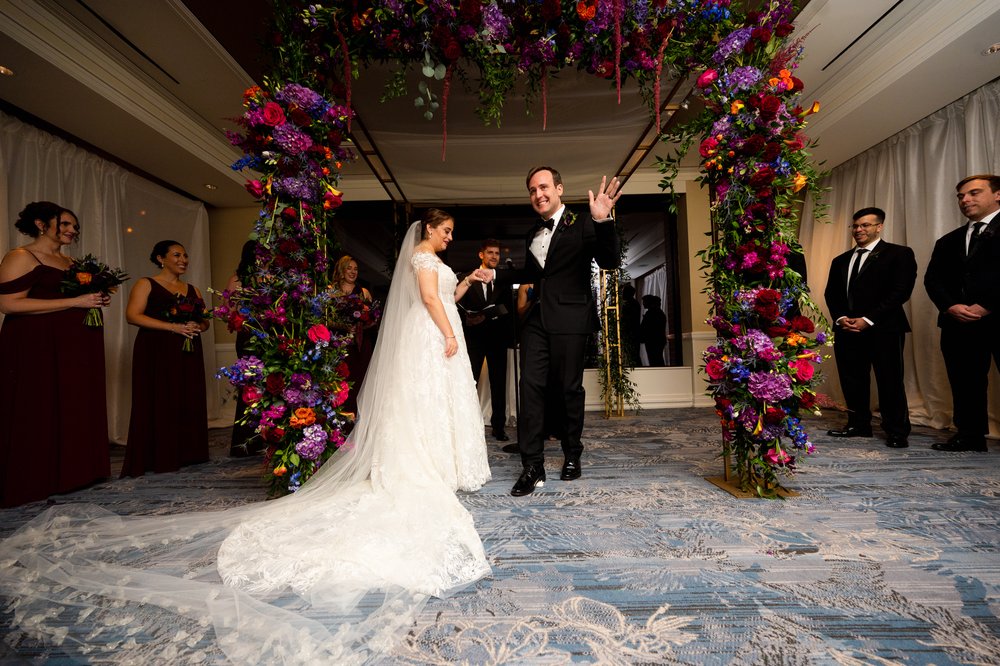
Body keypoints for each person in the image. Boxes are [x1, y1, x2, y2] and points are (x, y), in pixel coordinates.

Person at [0, 209, 493, 663]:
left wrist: (466, 282)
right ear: (428, 230)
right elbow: (431, 300)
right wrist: (449, 334)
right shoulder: (423, 257)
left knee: (438, 401)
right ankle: (428, 461)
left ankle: (442, 457)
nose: (451, 236)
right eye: (446, 229)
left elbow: (447, 298)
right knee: (427, 401)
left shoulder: (436, 260)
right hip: (434, 334)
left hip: (437, 332)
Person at [493, 166, 622, 496]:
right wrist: (493, 276)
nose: (538, 194)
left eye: (544, 187)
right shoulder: (532, 233)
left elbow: (609, 261)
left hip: (571, 318)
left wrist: (603, 221)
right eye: (532, 190)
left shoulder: (582, 224)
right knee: (530, 387)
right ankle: (532, 465)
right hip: (536, 320)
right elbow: (531, 274)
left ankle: (571, 454)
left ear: (560, 189)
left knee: (568, 390)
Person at [0, 202, 111, 507]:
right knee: (37, 405)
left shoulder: (72, 262)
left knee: (71, 403)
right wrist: (75, 302)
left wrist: (94, 299)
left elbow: (76, 299)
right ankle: (34, 477)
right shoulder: (21, 256)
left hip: (74, 346)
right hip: (35, 345)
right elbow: (9, 305)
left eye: (74, 226)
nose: (72, 230)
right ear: (40, 224)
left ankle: (74, 473)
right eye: (64, 224)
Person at [823, 207, 917, 448]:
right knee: (852, 379)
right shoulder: (840, 260)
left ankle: (896, 431)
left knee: (890, 380)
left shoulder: (899, 254)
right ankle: (858, 424)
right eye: (855, 226)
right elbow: (831, 294)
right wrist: (841, 317)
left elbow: (900, 292)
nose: (859, 230)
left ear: (879, 226)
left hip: (884, 328)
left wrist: (869, 319)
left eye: (865, 225)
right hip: (846, 329)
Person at [120, 240, 210, 477]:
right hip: (156, 349)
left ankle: (189, 453)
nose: (183, 260)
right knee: (159, 397)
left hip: (188, 349)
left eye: (185, 255)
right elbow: (132, 316)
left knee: (187, 396)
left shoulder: (193, 289)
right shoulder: (146, 283)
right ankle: (158, 456)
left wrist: (196, 324)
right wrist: (172, 327)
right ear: (161, 258)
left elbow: (205, 322)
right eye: (177, 255)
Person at [924, 174, 1000, 453]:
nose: (965, 200)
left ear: (998, 195)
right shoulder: (947, 241)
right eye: (960, 196)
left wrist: (988, 304)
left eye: (974, 193)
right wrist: (950, 306)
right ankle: (970, 436)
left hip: (997, 316)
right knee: (964, 382)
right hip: (958, 323)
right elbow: (933, 280)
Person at [459, 238, 514, 442]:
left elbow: (509, 310)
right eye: (490, 252)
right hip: (473, 338)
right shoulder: (467, 277)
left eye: (497, 253)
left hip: (497, 339)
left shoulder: (503, 280)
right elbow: (457, 305)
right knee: (469, 381)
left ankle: (498, 427)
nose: (494, 256)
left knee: (498, 383)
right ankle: (468, 426)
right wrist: (468, 320)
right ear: (481, 255)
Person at [227, 239, 264, 457]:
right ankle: (245, 442)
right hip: (248, 336)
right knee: (250, 388)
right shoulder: (238, 280)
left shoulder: (271, 278)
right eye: (260, 253)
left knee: (270, 386)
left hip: (268, 336)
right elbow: (229, 311)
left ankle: (265, 438)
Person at [330, 254, 377, 415]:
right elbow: (325, 319)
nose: (353, 272)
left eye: (355, 269)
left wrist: (362, 325)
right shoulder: (331, 292)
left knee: (360, 381)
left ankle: (359, 420)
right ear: (341, 270)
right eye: (349, 268)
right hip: (339, 344)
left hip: (361, 346)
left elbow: (373, 320)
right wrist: (344, 326)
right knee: (340, 382)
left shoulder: (363, 292)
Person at [639, 294, 667, 367]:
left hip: (653, 340)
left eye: (644, 302)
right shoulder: (659, 313)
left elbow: (647, 327)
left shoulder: (652, 313)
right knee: (657, 359)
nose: (643, 304)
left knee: (655, 359)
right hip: (657, 340)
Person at [619, 283, 641, 367]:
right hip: (631, 333)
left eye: (623, 292)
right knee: (632, 354)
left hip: (631, 334)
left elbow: (628, 320)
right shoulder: (633, 303)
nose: (622, 295)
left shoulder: (631, 304)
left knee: (633, 354)